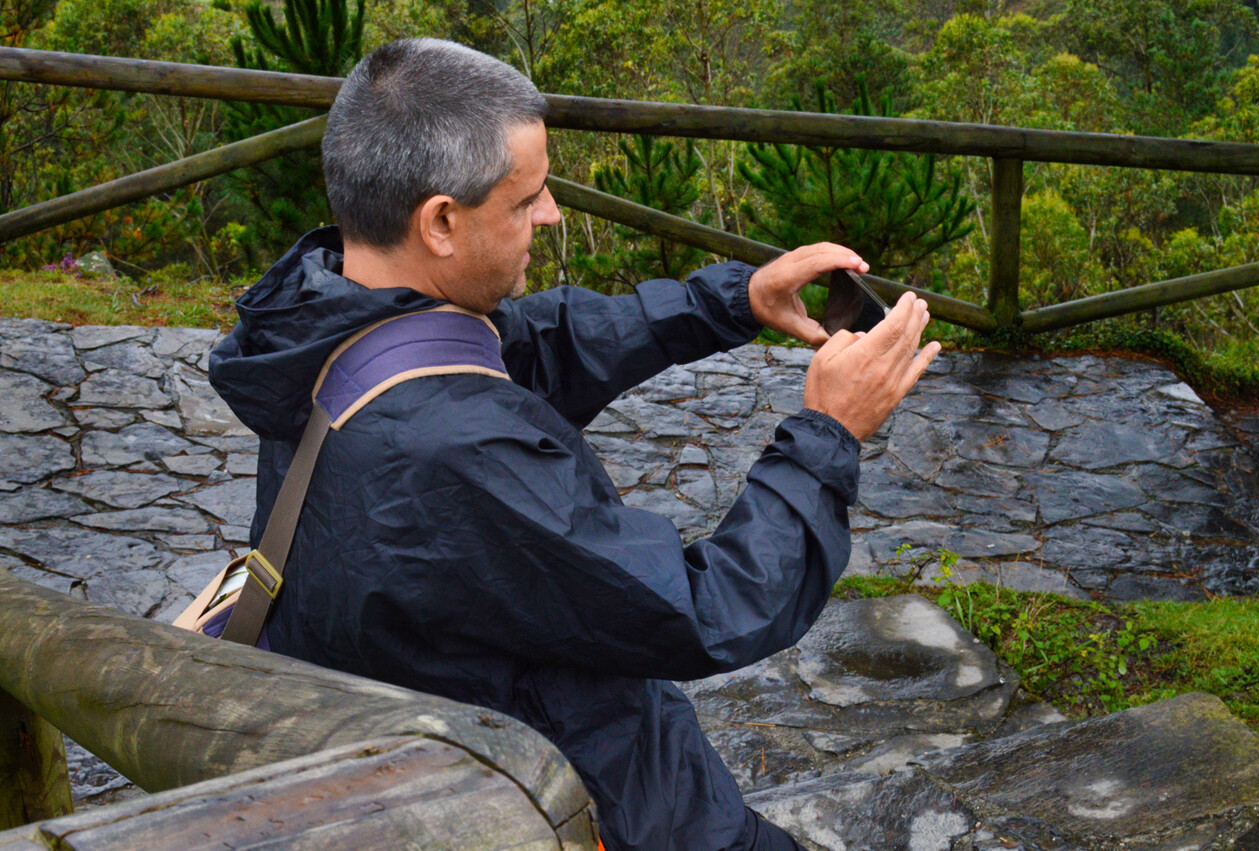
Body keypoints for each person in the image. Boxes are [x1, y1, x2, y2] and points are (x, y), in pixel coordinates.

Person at [209, 37, 939, 851]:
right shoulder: (454, 454)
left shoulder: (329, 321)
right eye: (526, 199)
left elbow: (541, 342)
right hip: (588, 807)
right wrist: (827, 433)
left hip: (433, 735)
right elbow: (708, 610)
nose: (551, 213)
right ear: (442, 221)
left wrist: (731, 301)